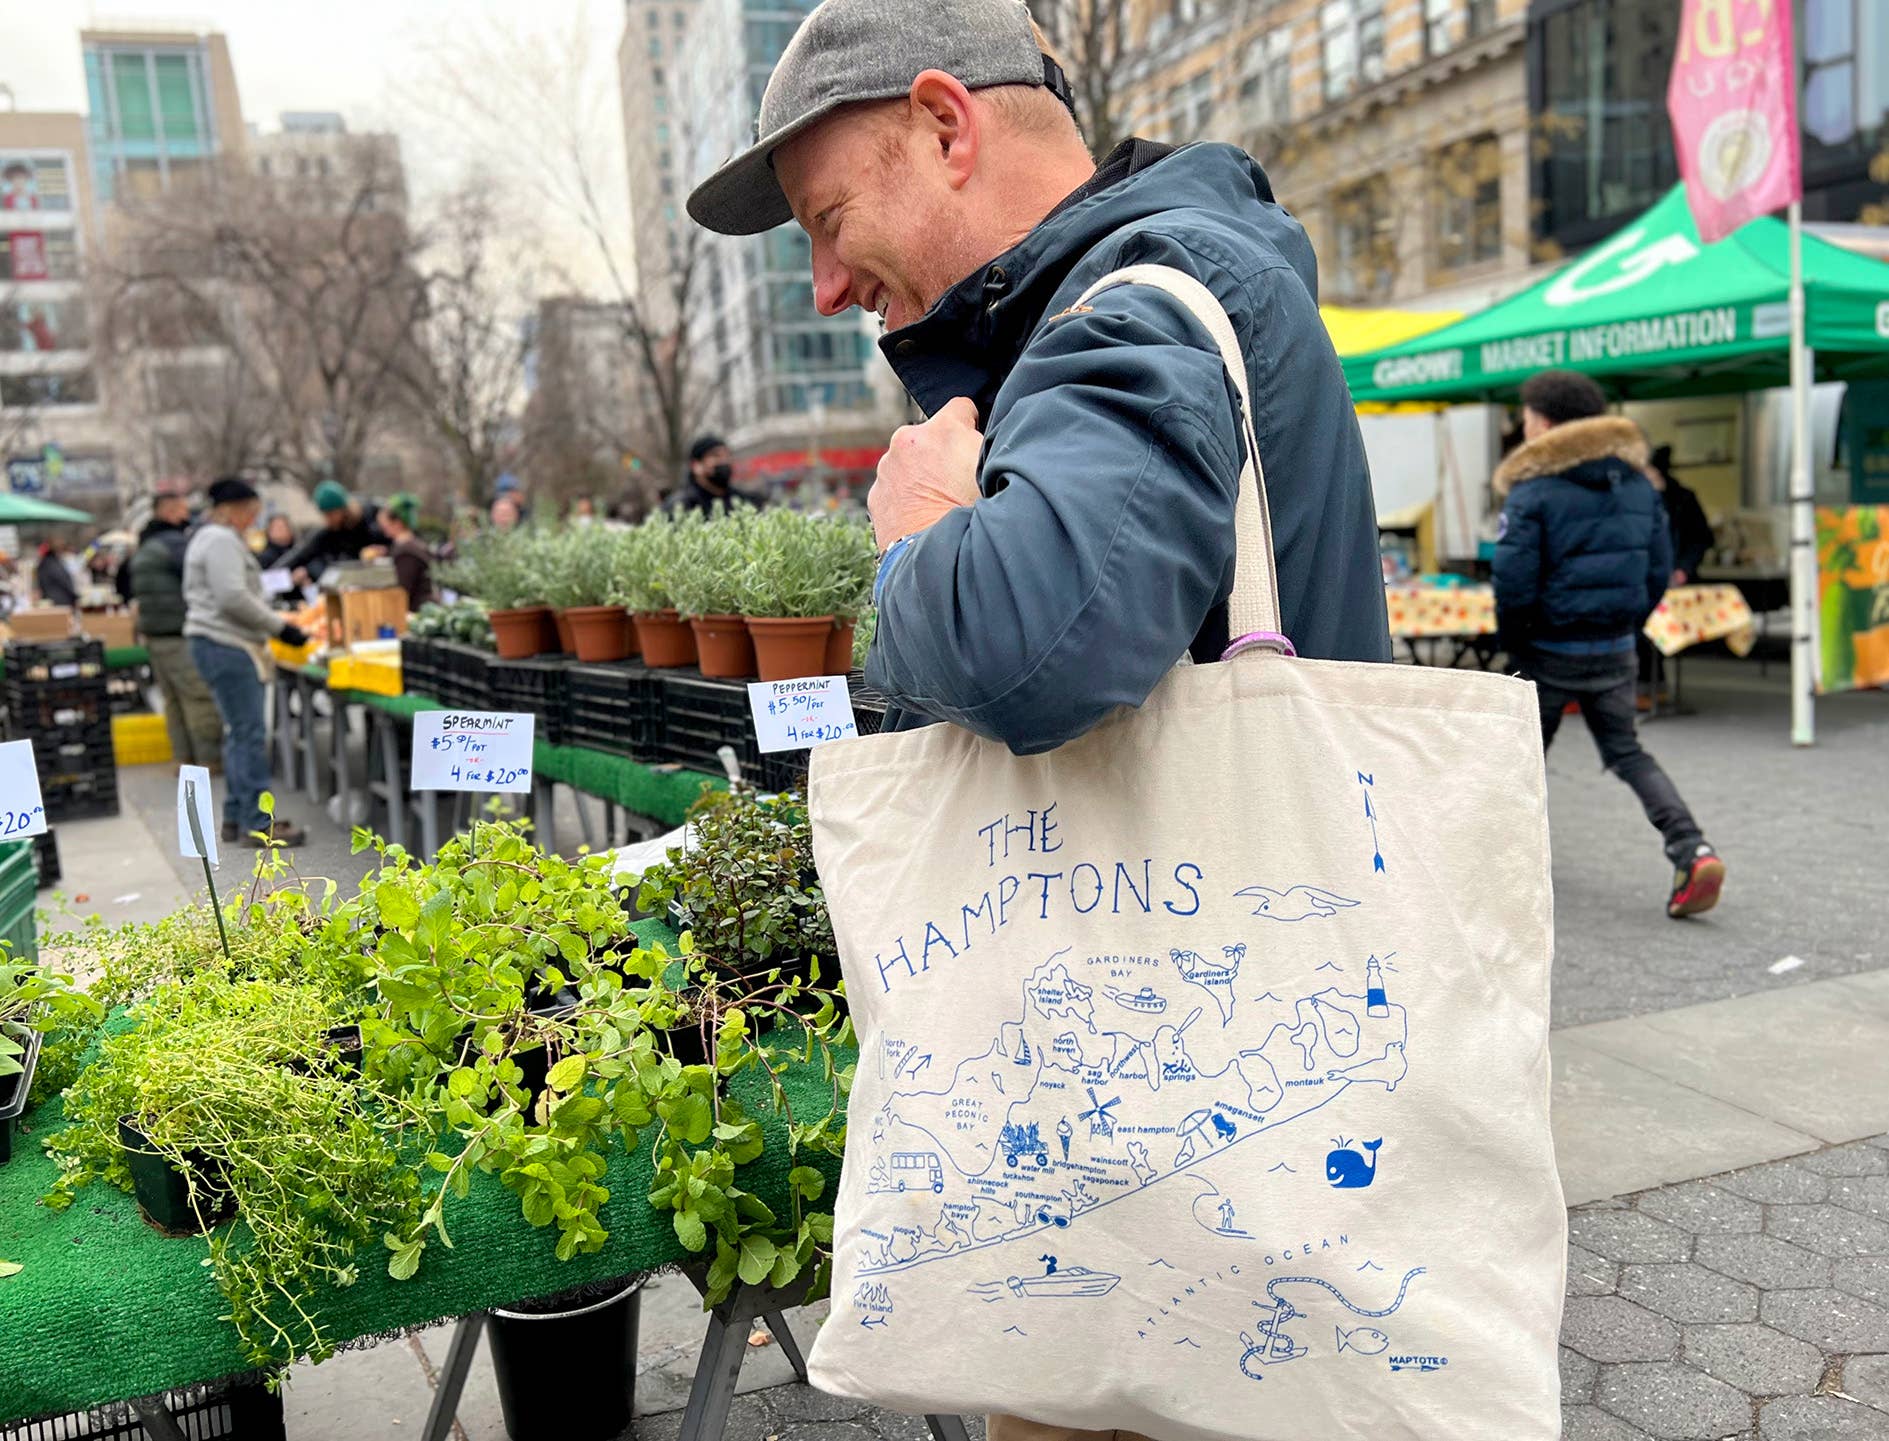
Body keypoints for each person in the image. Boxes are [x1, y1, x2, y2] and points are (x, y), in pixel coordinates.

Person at [686, 0, 1387, 769]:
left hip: (1210, 885)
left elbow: (1025, 654)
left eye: (829, 219)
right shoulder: (1111, 307)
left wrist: (917, 524)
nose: (825, 287)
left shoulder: (1142, 302)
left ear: (945, 128)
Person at [1492, 370, 1724, 919]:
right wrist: (1625, 626)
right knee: (1627, 752)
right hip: (1615, 648)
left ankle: (1493, 869)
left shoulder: (1533, 490)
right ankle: (1692, 848)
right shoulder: (1638, 485)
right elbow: (1657, 571)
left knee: (1516, 760)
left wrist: (1515, 644)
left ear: (1545, 421)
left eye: (1526, 416)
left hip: (1546, 650)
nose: (1522, 426)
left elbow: (1514, 582)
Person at [184, 477, 310, 848]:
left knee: (239, 733)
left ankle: (237, 817)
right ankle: (258, 823)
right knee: (250, 735)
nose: (255, 519)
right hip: (229, 644)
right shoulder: (221, 540)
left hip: (215, 642)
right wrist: (279, 628)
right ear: (234, 509)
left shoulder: (208, 537)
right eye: (252, 512)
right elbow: (232, 597)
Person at [128, 484, 224, 769]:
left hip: (155, 634)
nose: (188, 515)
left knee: (173, 702)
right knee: (198, 697)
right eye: (182, 509)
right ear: (169, 512)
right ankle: (208, 760)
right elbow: (201, 574)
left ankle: (183, 759)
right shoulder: (174, 543)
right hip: (178, 633)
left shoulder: (145, 544)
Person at [279, 480, 389, 586]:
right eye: (325, 515)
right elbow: (300, 554)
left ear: (343, 509)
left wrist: (385, 550)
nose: (328, 519)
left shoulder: (371, 516)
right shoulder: (328, 532)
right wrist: (273, 575)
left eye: (331, 514)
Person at [1648, 444, 1715, 587]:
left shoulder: (1683, 499)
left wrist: (1684, 569)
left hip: (1680, 581)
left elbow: (1701, 538)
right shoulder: (1632, 502)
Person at [665, 436, 760, 516]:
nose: (724, 461)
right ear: (696, 466)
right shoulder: (681, 506)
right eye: (716, 456)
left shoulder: (745, 500)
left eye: (727, 456)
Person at [379, 493, 435, 610]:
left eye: (385, 525)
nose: (383, 530)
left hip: (417, 614)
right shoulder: (411, 545)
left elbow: (401, 591)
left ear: (398, 523)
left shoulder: (406, 552)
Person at [34, 538, 78, 608]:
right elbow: (64, 581)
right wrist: (75, 596)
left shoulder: (44, 563)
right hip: (61, 602)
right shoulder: (53, 564)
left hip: (51, 600)